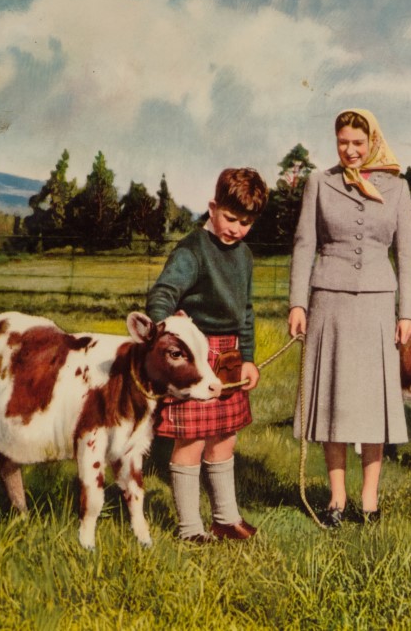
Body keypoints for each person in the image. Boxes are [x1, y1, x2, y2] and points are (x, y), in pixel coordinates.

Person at [288, 108, 411, 527]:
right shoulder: (319, 183)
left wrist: (408, 314)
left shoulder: (397, 189)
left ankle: (370, 500)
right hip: (329, 302)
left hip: (379, 303)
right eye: (343, 142)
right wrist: (297, 304)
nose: (350, 150)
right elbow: (305, 244)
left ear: (373, 142)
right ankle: (337, 500)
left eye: (358, 143)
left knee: (373, 404)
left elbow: (407, 255)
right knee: (334, 401)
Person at [147, 167, 268, 543]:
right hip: (197, 355)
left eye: (246, 222)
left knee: (224, 437)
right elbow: (162, 295)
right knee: (193, 440)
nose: (236, 228)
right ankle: (189, 529)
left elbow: (245, 311)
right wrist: (167, 330)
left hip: (229, 355)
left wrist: (246, 357)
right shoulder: (192, 250)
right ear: (213, 207)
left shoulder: (244, 256)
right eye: (230, 218)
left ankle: (225, 518)